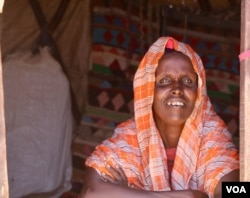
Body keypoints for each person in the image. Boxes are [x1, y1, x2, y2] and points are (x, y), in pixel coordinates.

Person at [81, 37, 239, 198]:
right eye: (164, 81)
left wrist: (128, 193)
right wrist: (192, 195)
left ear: (199, 91)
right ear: (148, 90)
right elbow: (91, 193)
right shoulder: (128, 139)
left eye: (187, 81)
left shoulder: (212, 135)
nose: (177, 89)